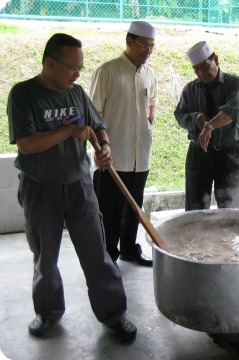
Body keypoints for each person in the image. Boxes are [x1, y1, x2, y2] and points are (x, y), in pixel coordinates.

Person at [7, 33, 137, 341]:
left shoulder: (77, 93)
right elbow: (26, 144)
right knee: (45, 255)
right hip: (41, 188)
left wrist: (104, 146)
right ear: (50, 63)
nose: (78, 74)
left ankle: (114, 314)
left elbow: (97, 125)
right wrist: (69, 131)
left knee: (97, 253)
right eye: (72, 68)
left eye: (80, 67)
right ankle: (48, 312)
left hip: (80, 185)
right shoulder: (24, 94)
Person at [89, 21, 158, 267]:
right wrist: (99, 149)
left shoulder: (150, 74)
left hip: (141, 157)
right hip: (113, 157)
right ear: (128, 41)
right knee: (109, 212)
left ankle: (130, 249)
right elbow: (93, 115)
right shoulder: (107, 71)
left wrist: (149, 120)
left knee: (134, 209)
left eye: (151, 46)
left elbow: (152, 102)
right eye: (143, 45)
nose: (148, 50)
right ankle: (107, 257)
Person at [174, 41, 239, 211]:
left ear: (216, 59)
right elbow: (179, 115)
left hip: (229, 155)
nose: (201, 73)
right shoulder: (190, 89)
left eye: (204, 67)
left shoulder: (235, 83)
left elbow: (233, 109)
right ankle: (196, 238)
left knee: (229, 210)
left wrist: (208, 126)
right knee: (195, 209)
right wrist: (194, 118)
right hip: (199, 155)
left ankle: (227, 238)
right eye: (196, 69)